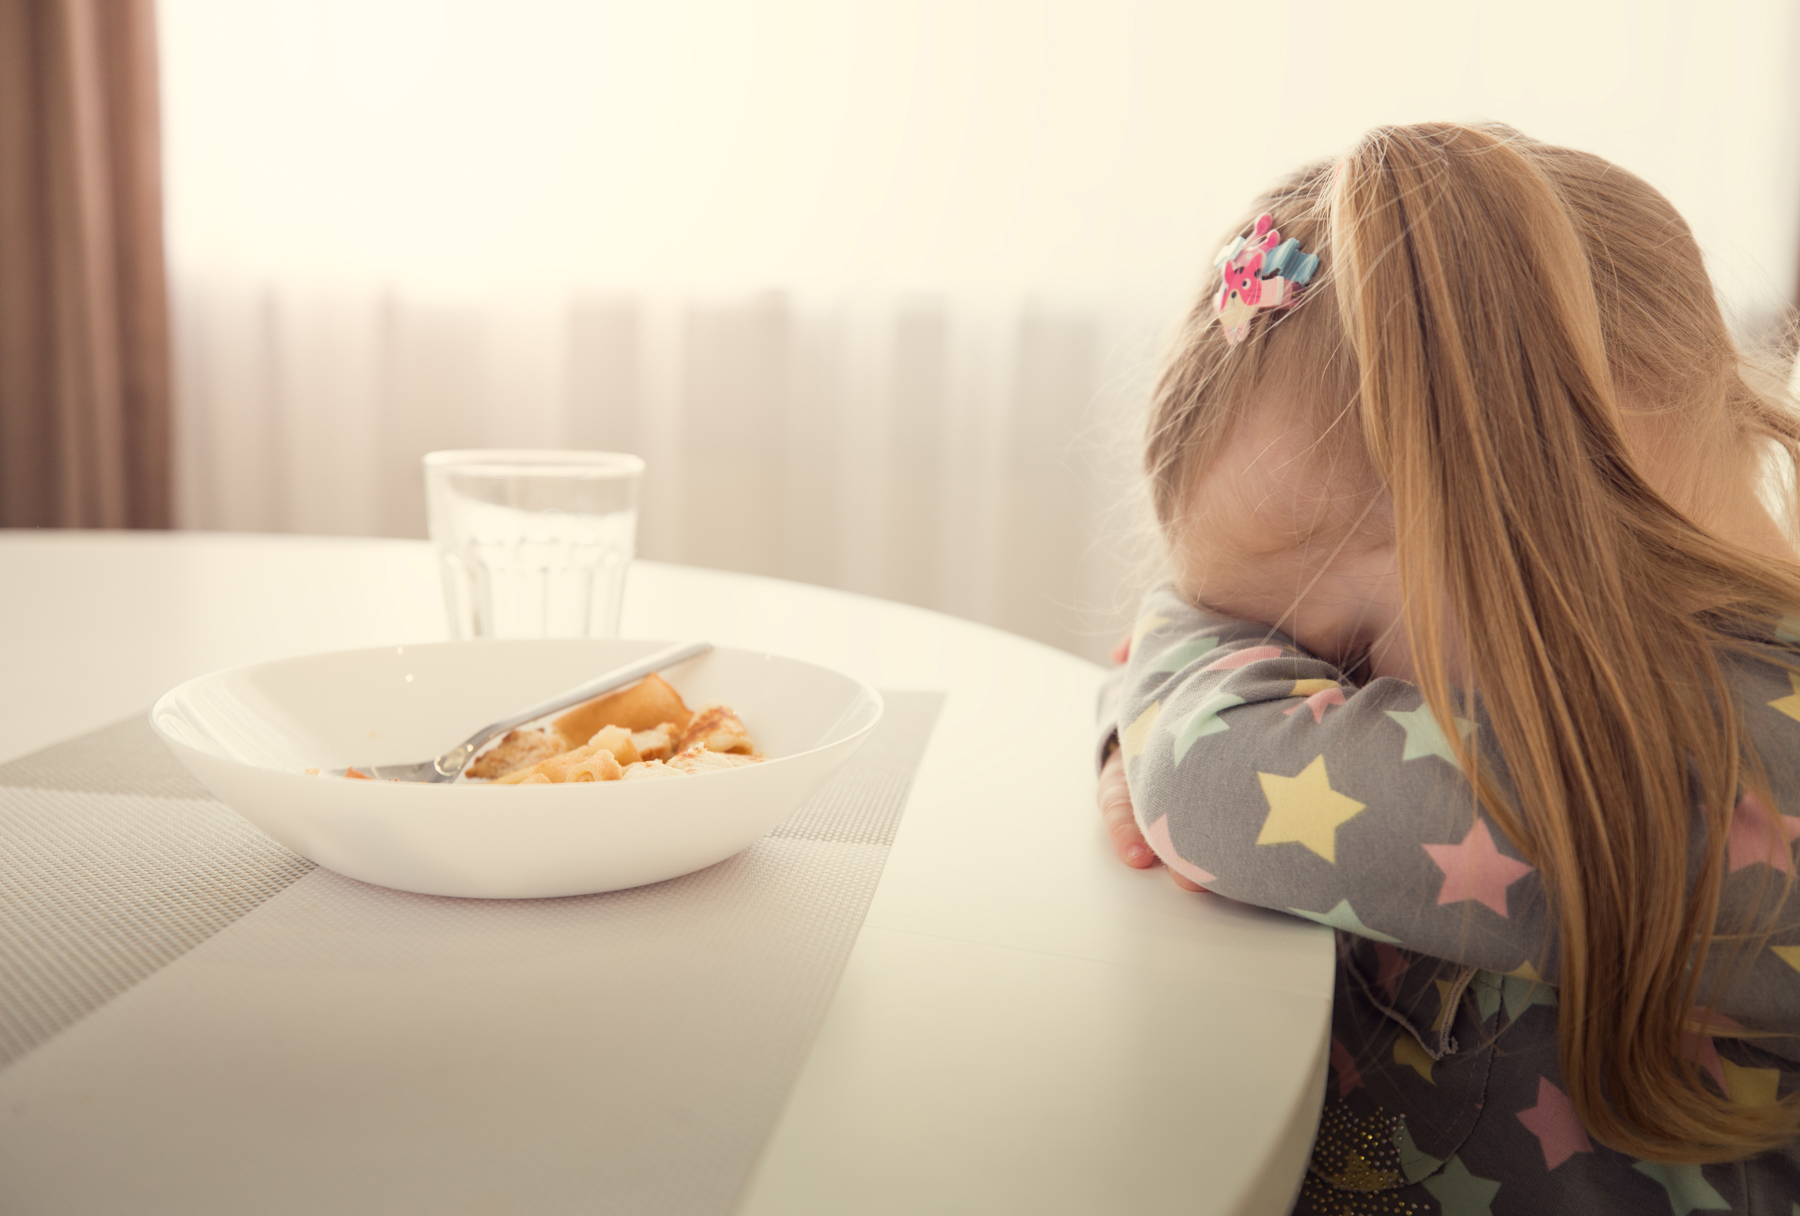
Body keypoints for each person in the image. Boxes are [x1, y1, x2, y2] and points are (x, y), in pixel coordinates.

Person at [1095, 122, 1800, 1214]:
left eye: (1340, 656)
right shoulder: (1535, 682)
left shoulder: (1739, 773)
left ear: (1542, 512)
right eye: (1274, 653)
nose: (1306, 701)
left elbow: (1212, 778)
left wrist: (1165, 689)